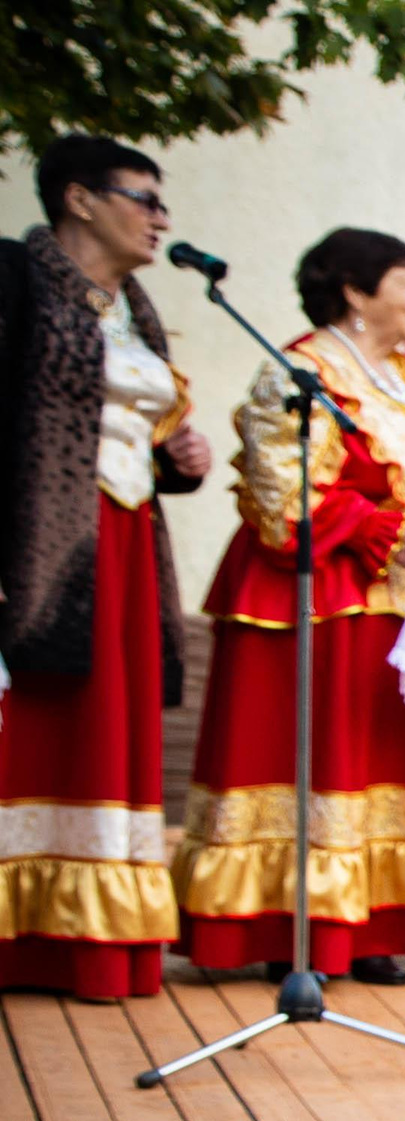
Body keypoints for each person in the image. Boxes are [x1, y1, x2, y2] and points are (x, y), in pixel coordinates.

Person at [171, 228, 405, 983]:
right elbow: (283, 500)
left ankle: (367, 922)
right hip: (318, 598)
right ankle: (292, 926)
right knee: (317, 759)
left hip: (394, 598)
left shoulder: (400, 378)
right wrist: (384, 530)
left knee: (379, 766)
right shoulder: (297, 370)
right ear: (355, 290)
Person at [0, 136, 212, 1000]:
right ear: (80, 200)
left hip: (123, 545)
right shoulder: (17, 281)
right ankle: (24, 938)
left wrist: (180, 459)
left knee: (108, 734)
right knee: (42, 730)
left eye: (164, 203)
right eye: (144, 197)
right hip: (42, 540)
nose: (160, 217)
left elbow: (127, 426)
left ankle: (95, 937)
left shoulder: (137, 307)